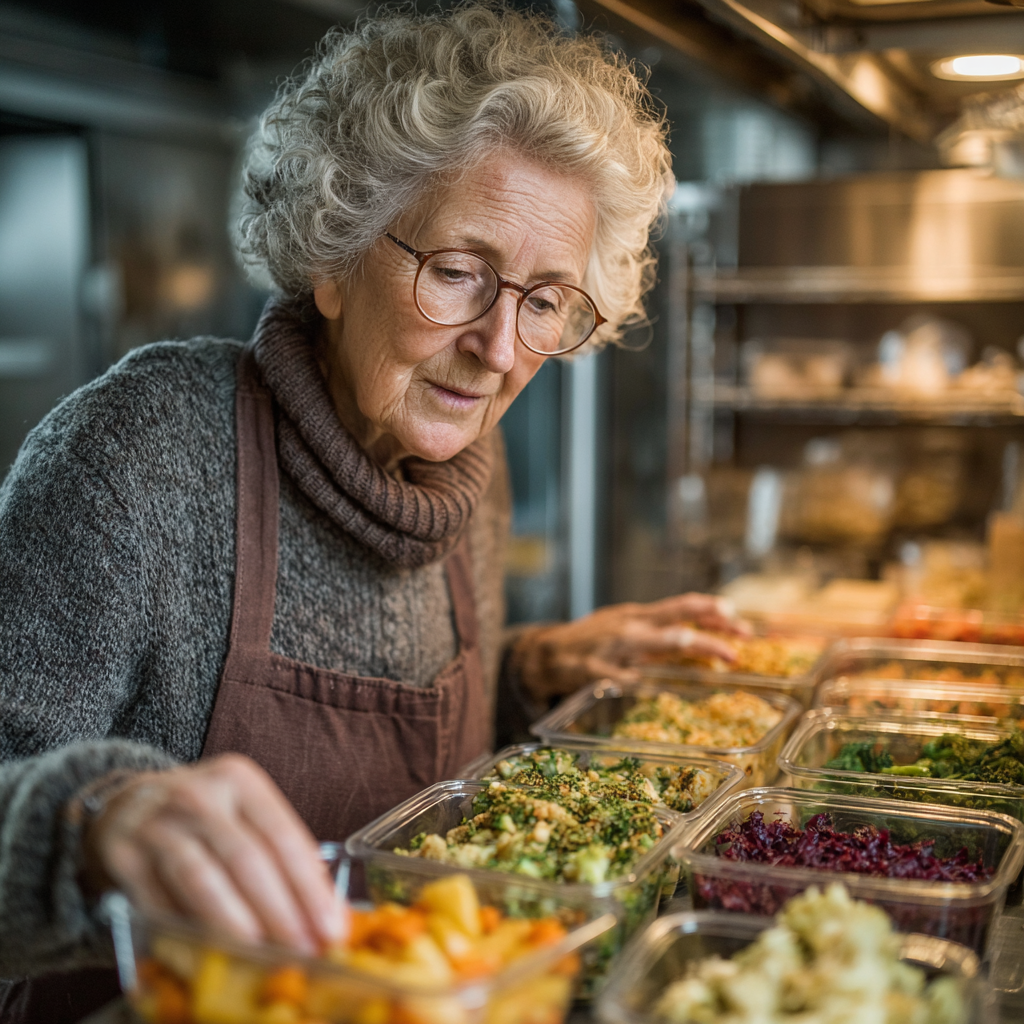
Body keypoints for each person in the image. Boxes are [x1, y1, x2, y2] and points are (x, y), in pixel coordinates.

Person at [0, 5, 742, 1019]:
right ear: (333, 252)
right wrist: (91, 818)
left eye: (543, 299)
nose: (497, 346)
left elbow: (419, 765)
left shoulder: (467, 478)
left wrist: (529, 675)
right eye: (456, 272)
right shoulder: (139, 451)